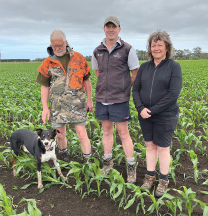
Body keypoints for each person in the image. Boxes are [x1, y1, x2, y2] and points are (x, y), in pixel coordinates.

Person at [132, 30, 182, 197]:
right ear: (150, 48)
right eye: (154, 45)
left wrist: (152, 110)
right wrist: (140, 108)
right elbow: (136, 89)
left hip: (166, 115)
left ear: (167, 47)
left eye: (160, 45)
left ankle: (163, 180)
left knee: (163, 148)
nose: (156, 48)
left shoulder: (174, 67)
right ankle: (149, 177)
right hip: (145, 115)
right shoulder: (144, 67)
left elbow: (172, 94)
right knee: (150, 146)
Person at [92, 16, 140, 184]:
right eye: (108, 27)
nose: (111, 29)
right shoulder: (97, 50)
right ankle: (107, 162)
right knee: (106, 131)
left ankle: (131, 166)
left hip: (119, 99)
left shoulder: (127, 49)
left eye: (114, 27)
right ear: (104, 29)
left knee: (123, 133)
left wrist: (124, 88)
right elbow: (98, 73)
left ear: (119, 29)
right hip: (102, 99)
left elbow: (135, 72)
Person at [36, 30, 93, 163]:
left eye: (60, 46)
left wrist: (89, 100)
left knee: (82, 134)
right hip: (58, 105)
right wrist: (45, 107)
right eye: (54, 46)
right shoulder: (48, 62)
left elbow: (87, 81)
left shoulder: (79, 58)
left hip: (78, 103)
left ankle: (88, 161)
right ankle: (63, 156)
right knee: (60, 135)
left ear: (66, 43)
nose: (57, 49)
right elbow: (44, 86)